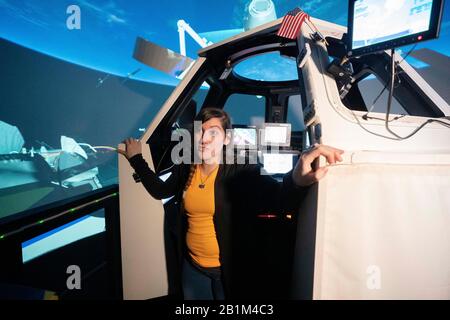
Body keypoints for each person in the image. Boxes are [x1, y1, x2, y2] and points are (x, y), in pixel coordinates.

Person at [118, 107, 343, 299]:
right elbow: (160, 190)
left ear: (226, 139)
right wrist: (136, 158)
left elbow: (278, 198)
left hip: (229, 269)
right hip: (193, 267)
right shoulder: (187, 166)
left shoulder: (242, 170)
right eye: (200, 132)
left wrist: (296, 178)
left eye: (213, 133)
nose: (204, 139)